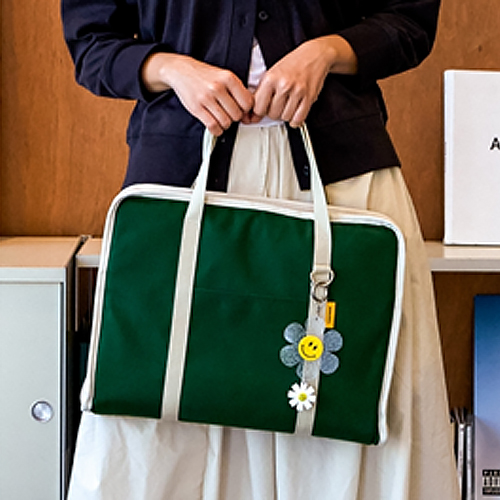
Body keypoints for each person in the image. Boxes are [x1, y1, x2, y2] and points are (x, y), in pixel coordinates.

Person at [62, 1, 460, 499]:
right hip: (178, 189)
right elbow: (92, 43)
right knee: (156, 422)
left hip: (343, 185)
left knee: (350, 406)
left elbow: (410, 21)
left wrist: (325, 53)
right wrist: (174, 70)